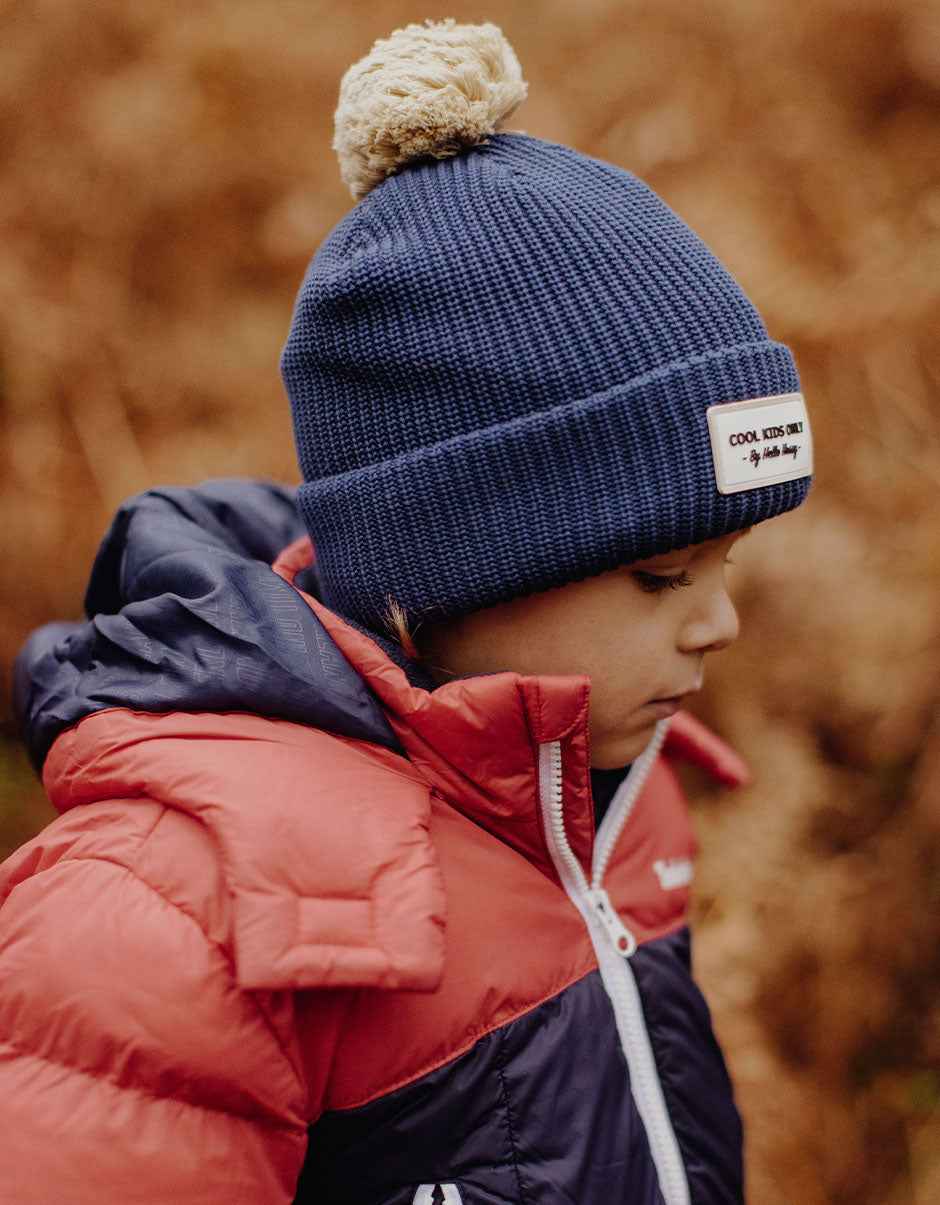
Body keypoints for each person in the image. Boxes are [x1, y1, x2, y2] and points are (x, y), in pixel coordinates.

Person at [0, 19, 812, 1205]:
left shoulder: (605, 795)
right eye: (660, 574)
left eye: (727, 560)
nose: (719, 623)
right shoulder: (174, 919)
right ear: (449, 562)